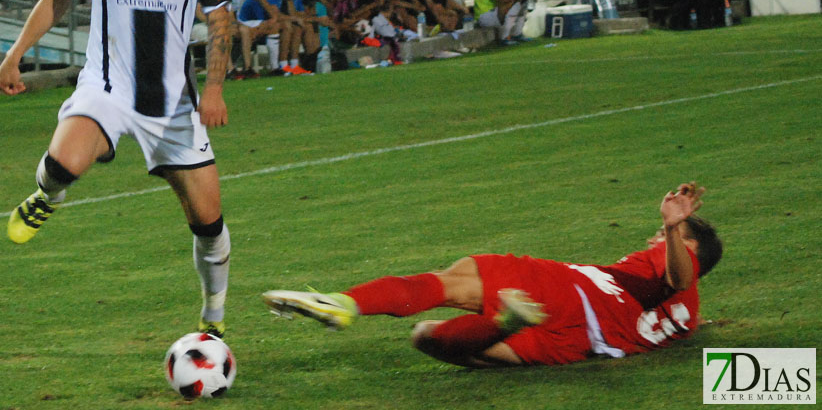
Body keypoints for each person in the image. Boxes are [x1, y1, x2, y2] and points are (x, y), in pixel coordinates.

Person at [0, 0, 235, 339]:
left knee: (208, 225)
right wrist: (15, 54)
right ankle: (48, 195)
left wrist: (214, 88)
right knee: (62, 165)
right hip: (108, 87)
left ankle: (212, 321)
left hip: (172, 104)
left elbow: (218, 20)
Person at [264, 182, 722, 368]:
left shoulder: (676, 268)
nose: (650, 242)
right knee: (427, 339)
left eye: (660, 237)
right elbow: (680, 300)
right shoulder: (686, 317)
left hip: (574, 292)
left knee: (447, 282)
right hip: (580, 343)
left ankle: (346, 304)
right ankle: (504, 323)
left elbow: (679, 278)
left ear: (692, 246)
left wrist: (671, 227)